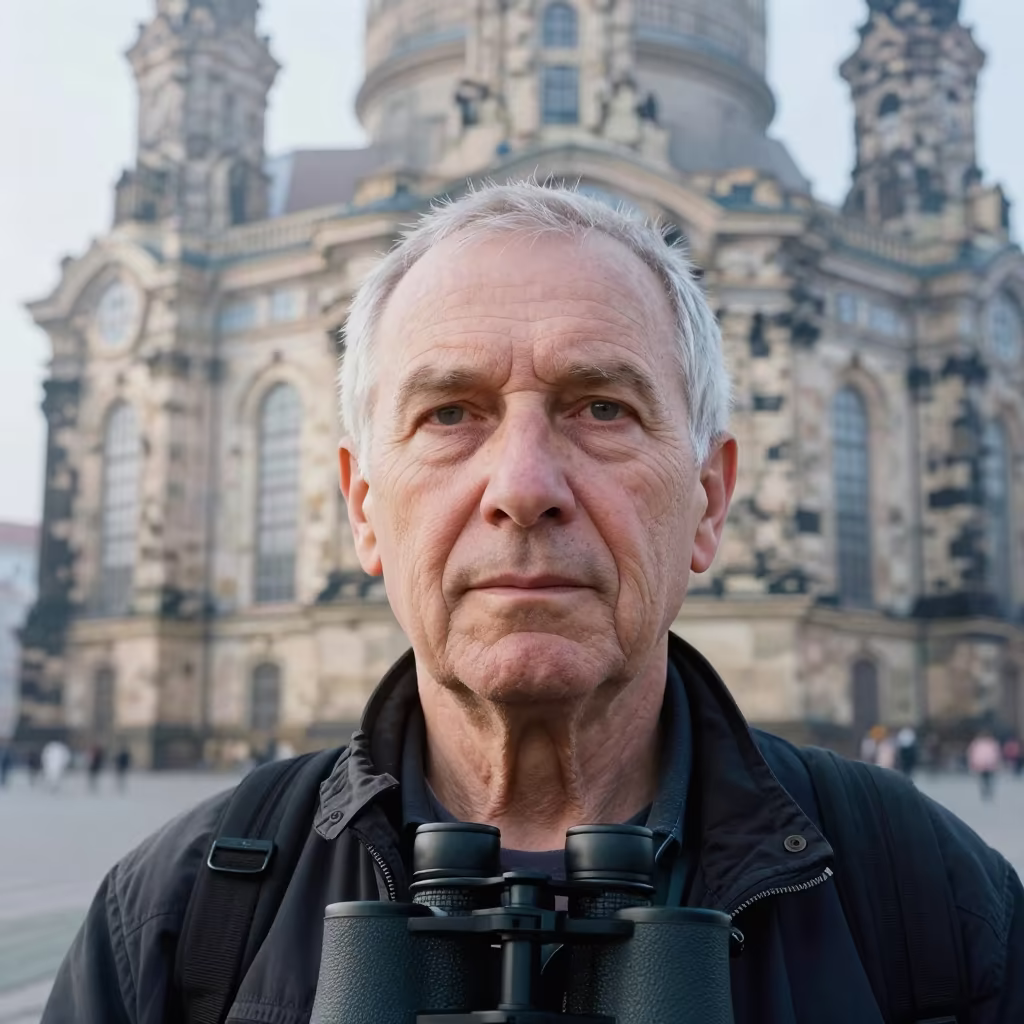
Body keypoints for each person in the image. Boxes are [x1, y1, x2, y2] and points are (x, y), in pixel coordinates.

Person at [41, 183, 1024, 1023]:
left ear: (708, 503)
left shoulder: (935, 899)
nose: (523, 484)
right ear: (364, 509)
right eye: (449, 413)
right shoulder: (174, 915)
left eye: (603, 406)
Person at [967, 730, 1002, 801]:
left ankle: (986, 791)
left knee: (985, 779)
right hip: (987, 764)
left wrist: (973, 763)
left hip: (983, 764)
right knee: (987, 779)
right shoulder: (991, 743)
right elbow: (996, 754)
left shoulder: (977, 743)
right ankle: (987, 791)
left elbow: (972, 754)